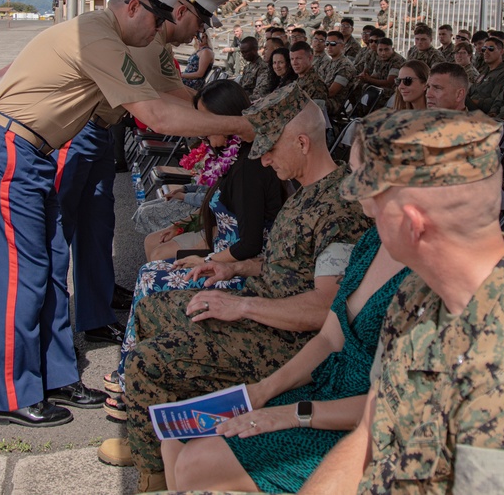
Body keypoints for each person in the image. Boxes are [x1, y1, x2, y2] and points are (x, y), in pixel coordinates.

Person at [0, 0, 251, 428]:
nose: (160, 29)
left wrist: (230, 114)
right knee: (18, 276)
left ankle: (53, 377)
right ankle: (9, 393)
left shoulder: (108, 37)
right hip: (9, 151)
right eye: (156, 19)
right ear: (132, 7)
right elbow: (157, 113)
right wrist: (239, 125)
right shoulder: (98, 37)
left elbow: (164, 97)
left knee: (49, 265)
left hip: (33, 153)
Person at [300, 109, 504, 494]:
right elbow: (371, 432)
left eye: (374, 201)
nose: (367, 212)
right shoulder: (419, 293)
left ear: (412, 224)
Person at [102, 85, 373, 490]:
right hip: (264, 308)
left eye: (270, 148)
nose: (262, 158)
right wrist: (235, 269)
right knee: (152, 310)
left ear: (301, 143)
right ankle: (157, 427)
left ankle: (156, 472)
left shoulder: (339, 209)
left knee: (148, 363)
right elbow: (292, 265)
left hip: (288, 341)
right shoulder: (308, 192)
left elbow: (325, 307)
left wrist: (241, 308)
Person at [159, 136, 411, 493]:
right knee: (176, 440)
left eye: (359, 175)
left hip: (362, 426)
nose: (349, 188)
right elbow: (329, 337)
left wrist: (292, 414)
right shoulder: (373, 243)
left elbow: (394, 405)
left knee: (197, 462)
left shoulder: (423, 278)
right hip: (327, 391)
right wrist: (263, 392)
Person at [57, 0, 225, 345]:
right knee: (59, 239)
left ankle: (96, 307)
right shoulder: (150, 45)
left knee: (96, 228)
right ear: (181, 11)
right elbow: (159, 110)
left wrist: (218, 109)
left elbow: (175, 91)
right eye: (198, 23)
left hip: (99, 133)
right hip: (80, 131)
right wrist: (229, 121)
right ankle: (57, 343)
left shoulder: (159, 46)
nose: (196, 34)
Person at [103, 81, 285, 417]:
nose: (201, 130)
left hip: (237, 271)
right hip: (221, 258)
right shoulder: (232, 158)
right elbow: (215, 211)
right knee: (151, 270)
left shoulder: (249, 167)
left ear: (226, 119)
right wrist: (188, 229)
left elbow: (248, 244)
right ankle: (134, 370)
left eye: (206, 121)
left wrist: (209, 262)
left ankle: (132, 380)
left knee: (152, 278)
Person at [467, 36, 504, 115]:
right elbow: (472, 90)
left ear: (501, 51)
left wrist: (472, 101)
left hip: (484, 114)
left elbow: (496, 102)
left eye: (491, 49)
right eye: (484, 49)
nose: (486, 52)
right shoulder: (485, 72)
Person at [322, 30, 358, 117]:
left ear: (342, 45)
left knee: (308, 103)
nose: (329, 46)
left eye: (333, 44)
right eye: (327, 43)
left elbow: (332, 92)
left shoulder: (345, 66)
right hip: (324, 97)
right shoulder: (329, 62)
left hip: (336, 103)